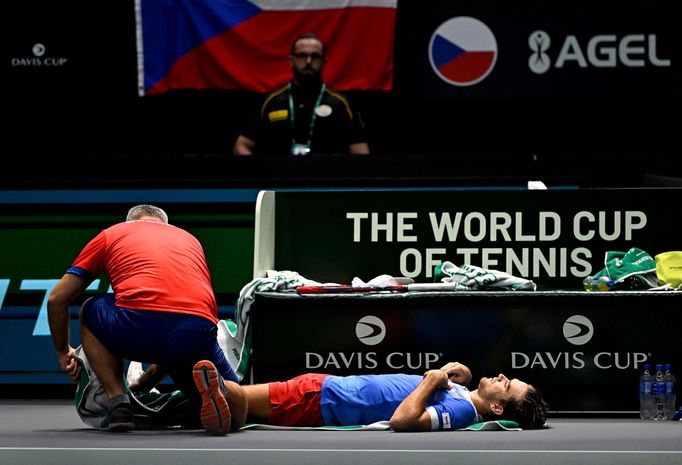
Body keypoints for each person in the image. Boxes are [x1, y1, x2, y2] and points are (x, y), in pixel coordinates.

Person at [47, 204, 244, 435]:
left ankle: (118, 402)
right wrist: (144, 383)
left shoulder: (113, 233)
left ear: (131, 222)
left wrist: (63, 352)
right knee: (236, 395)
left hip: (136, 326)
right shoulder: (190, 240)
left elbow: (57, 299)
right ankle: (225, 401)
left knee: (90, 308)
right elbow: (172, 317)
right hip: (197, 331)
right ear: (165, 225)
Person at [132, 360, 548, 431]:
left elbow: (404, 421)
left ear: (497, 407)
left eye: (508, 387)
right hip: (327, 388)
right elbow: (452, 387)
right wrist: (457, 374)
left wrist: (432, 377)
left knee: (240, 398)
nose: (504, 377)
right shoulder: (462, 395)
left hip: (324, 401)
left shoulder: (459, 411)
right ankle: (169, 405)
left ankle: (188, 377)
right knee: (220, 401)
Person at [232, 32, 370, 156]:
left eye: (315, 56)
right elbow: (241, 145)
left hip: (326, 181)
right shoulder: (270, 103)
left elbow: (361, 152)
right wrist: (262, 174)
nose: (308, 61)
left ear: (324, 62)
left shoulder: (342, 105)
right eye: (302, 55)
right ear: (291, 60)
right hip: (279, 181)